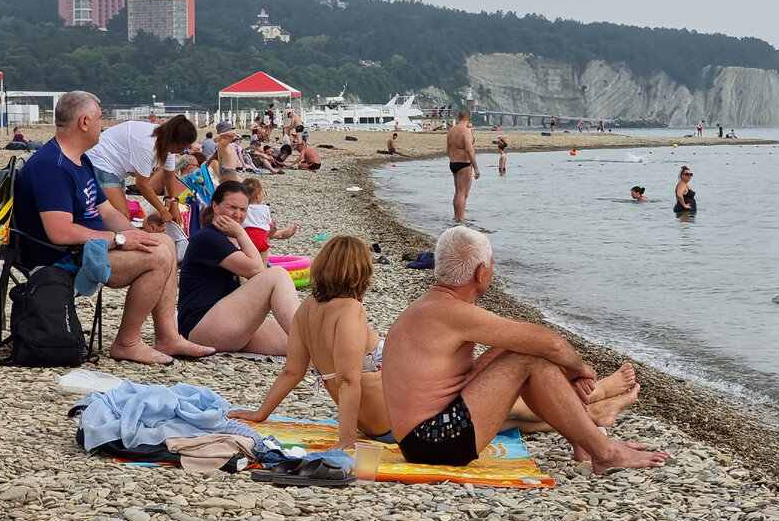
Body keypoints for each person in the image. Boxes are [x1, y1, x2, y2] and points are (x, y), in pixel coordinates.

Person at [230, 235, 645, 451]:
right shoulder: (350, 313)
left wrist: (262, 414)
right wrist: (344, 440)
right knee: (506, 406)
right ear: (360, 273)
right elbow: (352, 380)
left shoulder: (305, 312)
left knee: (511, 419)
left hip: (375, 422)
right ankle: (596, 401)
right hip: (394, 421)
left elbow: (293, 371)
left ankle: (594, 413)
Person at [382, 227, 669, 471]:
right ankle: (605, 453)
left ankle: (586, 441)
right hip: (434, 442)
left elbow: (525, 338)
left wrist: (563, 367)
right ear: (482, 272)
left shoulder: (431, 308)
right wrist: (579, 369)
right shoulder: (450, 312)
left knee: (520, 350)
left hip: (426, 436)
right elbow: (552, 343)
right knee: (532, 360)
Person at [14, 91, 213, 365]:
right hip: (59, 257)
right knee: (158, 257)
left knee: (162, 243)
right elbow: (59, 233)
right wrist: (119, 239)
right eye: (98, 119)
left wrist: (137, 235)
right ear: (84, 122)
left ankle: (168, 336)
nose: (102, 126)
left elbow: (106, 210)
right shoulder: (53, 166)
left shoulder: (80, 160)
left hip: (86, 247)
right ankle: (127, 343)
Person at [176, 180, 300, 356]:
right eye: (232, 207)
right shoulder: (208, 238)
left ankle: (327, 354)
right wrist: (241, 232)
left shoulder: (227, 238)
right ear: (215, 206)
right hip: (201, 326)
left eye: (243, 210)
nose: (238, 215)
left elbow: (256, 273)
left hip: (226, 319)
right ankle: (309, 345)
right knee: (278, 275)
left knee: (295, 341)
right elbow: (257, 270)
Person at [85, 115, 198, 225]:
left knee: (114, 213)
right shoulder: (148, 145)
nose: (180, 152)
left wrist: (174, 204)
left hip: (116, 166)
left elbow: (169, 176)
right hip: (101, 161)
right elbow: (142, 185)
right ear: (171, 139)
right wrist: (163, 210)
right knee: (121, 215)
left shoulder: (166, 145)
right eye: (179, 148)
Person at [240, 177, 298, 260]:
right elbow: (268, 225)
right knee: (263, 262)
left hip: (247, 239)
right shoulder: (264, 208)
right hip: (261, 239)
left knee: (247, 260)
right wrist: (271, 229)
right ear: (257, 195)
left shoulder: (243, 209)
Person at [447, 108, 479, 222]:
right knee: (462, 193)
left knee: (457, 191)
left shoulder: (451, 130)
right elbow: (469, 150)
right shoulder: (466, 131)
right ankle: (460, 219)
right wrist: (476, 168)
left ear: (458, 118)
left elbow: (448, 149)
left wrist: (451, 159)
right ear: (468, 118)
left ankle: (456, 217)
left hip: (453, 163)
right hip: (463, 164)